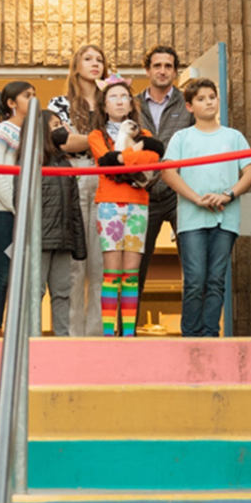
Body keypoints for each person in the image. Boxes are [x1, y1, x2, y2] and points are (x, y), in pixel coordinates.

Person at [161, 79, 251, 337]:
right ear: (189, 106)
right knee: (194, 281)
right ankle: (190, 336)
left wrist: (228, 195)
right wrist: (195, 198)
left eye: (212, 97)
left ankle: (210, 335)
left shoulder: (233, 136)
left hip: (225, 220)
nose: (208, 102)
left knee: (216, 280)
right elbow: (168, 173)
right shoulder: (182, 137)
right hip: (192, 220)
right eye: (201, 99)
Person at [88, 74, 164, 337]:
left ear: (132, 104)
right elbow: (106, 161)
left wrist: (123, 158)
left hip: (138, 205)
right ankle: (110, 335)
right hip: (109, 205)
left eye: (124, 97)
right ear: (104, 105)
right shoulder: (96, 135)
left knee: (131, 274)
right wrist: (133, 154)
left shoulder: (146, 134)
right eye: (113, 97)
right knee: (111, 273)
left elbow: (151, 160)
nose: (119, 102)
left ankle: (129, 333)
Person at [47, 44, 108, 336]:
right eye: (88, 59)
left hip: (108, 183)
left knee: (102, 265)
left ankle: (97, 337)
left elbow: (122, 142)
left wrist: (86, 140)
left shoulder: (113, 101)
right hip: (73, 183)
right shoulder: (59, 103)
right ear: (76, 66)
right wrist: (101, 141)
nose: (95, 64)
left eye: (100, 60)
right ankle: (70, 337)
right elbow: (63, 143)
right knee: (74, 267)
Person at [16, 110, 87, 337]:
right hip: (39, 239)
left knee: (63, 291)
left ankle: (62, 340)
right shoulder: (28, 161)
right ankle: (32, 339)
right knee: (35, 291)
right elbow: (19, 201)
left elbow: (75, 206)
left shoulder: (65, 163)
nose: (62, 129)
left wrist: (77, 243)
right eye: (55, 124)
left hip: (63, 238)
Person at [135, 45, 195, 299]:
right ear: (147, 70)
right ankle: (126, 335)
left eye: (168, 66)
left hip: (178, 195)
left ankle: (193, 334)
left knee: (193, 267)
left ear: (175, 71)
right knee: (134, 271)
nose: (162, 71)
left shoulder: (189, 103)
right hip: (142, 196)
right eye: (157, 65)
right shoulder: (133, 104)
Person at [0, 80, 36, 337]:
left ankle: (20, 329)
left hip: (27, 212)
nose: (33, 99)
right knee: (3, 271)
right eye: (27, 96)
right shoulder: (3, 130)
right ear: (11, 103)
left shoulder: (35, 132)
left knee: (26, 273)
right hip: (5, 211)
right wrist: (17, 207)